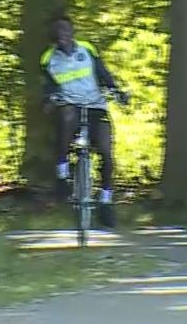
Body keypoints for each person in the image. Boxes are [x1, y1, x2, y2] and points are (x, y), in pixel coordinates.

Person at [41, 15, 128, 228]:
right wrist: (48, 99)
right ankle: (62, 173)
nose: (62, 36)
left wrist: (117, 91)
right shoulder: (48, 59)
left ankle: (106, 201)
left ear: (72, 32)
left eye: (66, 30)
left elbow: (103, 74)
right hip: (69, 104)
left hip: (95, 105)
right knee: (67, 118)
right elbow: (48, 85)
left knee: (106, 152)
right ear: (54, 37)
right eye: (58, 32)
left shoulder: (87, 49)